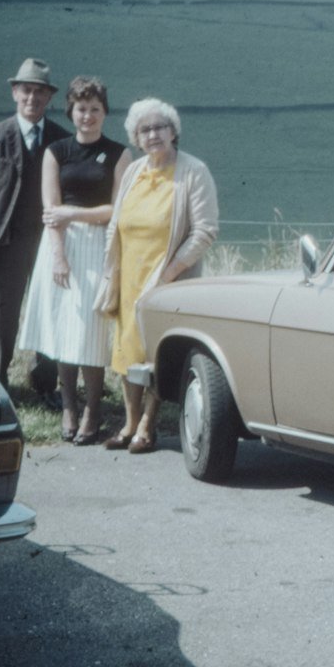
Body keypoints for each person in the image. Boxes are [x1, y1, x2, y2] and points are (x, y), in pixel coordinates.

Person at [99, 98, 218, 454]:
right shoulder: (135, 171)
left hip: (167, 278)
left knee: (155, 352)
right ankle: (130, 421)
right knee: (126, 352)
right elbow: (115, 225)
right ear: (136, 137)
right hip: (129, 275)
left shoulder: (194, 171)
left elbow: (205, 231)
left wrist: (169, 274)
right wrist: (112, 273)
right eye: (144, 129)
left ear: (173, 131)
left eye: (159, 127)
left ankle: (148, 426)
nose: (153, 134)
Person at [18, 77, 131, 444]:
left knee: (91, 333)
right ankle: (68, 406)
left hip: (100, 247)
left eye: (95, 109)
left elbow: (117, 210)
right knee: (64, 331)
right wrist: (59, 257)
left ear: (104, 113)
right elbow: (51, 210)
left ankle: (93, 410)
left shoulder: (119, 154)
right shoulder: (56, 151)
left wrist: (74, 215)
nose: (88, 116)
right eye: (81, 109)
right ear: (71, 111)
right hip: (60, 246)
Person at [0, 58, 70, 393]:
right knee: (0, 319)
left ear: (50, 97)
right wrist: (5, 222)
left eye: (39, 92)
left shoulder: (61, 140)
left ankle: (44, 385)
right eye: (26, 90)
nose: (32, 98)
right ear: (15, 92)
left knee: (49, 312)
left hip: (49, 242)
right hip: (5, 241)